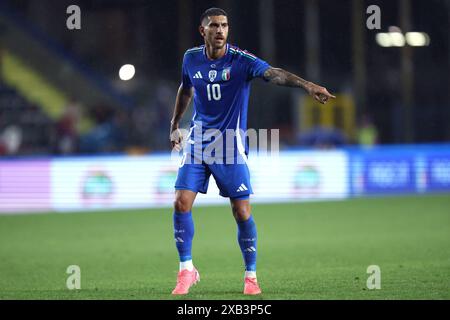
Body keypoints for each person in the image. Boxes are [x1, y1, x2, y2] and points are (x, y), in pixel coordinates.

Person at [169, 7, 335, 295]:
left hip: (231, 147)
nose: (220, 30)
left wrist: (307, 85)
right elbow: (186, 89)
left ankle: (251, 275)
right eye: (214, 26)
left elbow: (273, 74)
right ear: (203, 31)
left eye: (224, 25)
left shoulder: (241, 61)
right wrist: (174, 124)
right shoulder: (190, 58)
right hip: (198, 143)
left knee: (241, 212)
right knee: (181, 203)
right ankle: (186, 270)